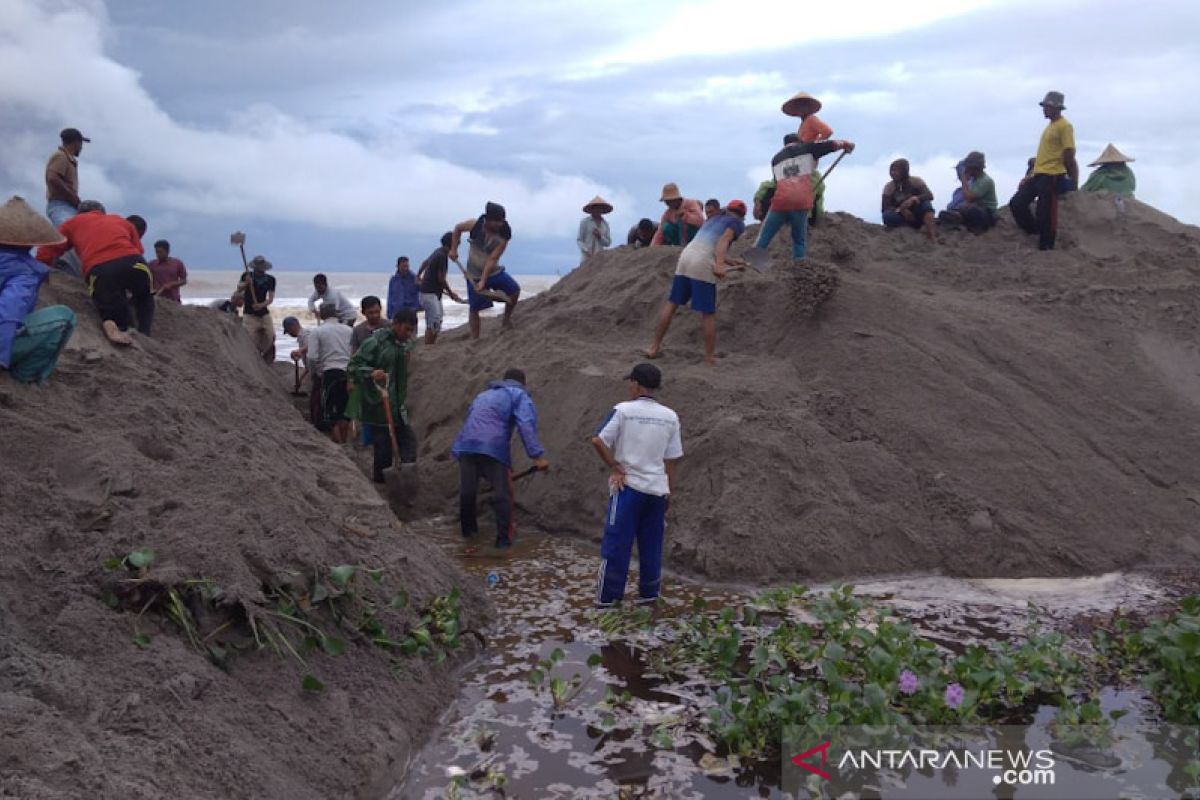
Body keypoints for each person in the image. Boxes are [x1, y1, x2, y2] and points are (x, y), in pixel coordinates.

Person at [591, 363, 683, 607]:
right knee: (651, 547)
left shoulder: (623, 410)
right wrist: (669, 494)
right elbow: (670, 461)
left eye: (630, 382)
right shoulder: (670, 416)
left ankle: (607, 601)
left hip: (628, 488)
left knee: (616, 545)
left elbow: (598, 441)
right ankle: (649, 598)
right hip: (657, 491)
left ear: (635, 384)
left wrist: (615, 466)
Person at [450, 368, 549, 548]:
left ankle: (468, 536)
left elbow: (469, 419)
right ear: (523, 383)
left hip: (466, 444)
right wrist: (537, 456)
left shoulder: (483, 395)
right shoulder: (519, 395)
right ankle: (503, 542)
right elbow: (525, 425)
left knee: (468, 492)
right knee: (503, 494)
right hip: (492, 446)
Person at [646, 200, 748, 365]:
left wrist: (731, 262)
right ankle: (709, 357)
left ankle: (653, 347)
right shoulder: (736, 224)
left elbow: (710, 246)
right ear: (742, 216)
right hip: (701, 263)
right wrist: (720, 265)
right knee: (708, 313)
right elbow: (722, 242)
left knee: (672, 304)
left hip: (686, 257)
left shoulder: (713, 219)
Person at [36, 202, 153, 345]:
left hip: (100, 267)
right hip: (135, 262)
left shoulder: (72, 223)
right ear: (102, 212)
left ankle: (119, 326)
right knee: (145, 297)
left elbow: (49, 248)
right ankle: (145, 333)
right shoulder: (119, 220)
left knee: (109, 303)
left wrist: (40, 269)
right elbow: (138, 249)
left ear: (79, 213)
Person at [0, 196, 77, 384]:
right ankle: (25, 377)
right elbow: (8, 311)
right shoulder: (25, 270)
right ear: (32, 241)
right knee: (65, 317)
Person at [753, 134, 855, 262]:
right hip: (801, 201)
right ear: (800, 142)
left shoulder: (776, 159)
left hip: (781, 201)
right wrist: (846, 144)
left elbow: (776, 182)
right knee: (799, 238)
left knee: (765, 235)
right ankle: (799, 265)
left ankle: (754, 263)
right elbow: (831, 145)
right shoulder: (807, 148)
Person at [346, 308, 418, 483]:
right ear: (396, 325)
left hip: (397, 404)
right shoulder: (375, 343)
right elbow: (353, 366)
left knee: (409, 442)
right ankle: (381, 484)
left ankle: (407, 480)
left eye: (412, 330)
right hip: (378, 404)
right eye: (406, 329)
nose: (409, 334)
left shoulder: (403, 343)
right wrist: (371, 372)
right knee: (383, 449)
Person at [1009, 91, 1079, 251]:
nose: (1044, 109)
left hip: (1052, 174)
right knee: (1017, 203)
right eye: (1044, 106)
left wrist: (1061, 168)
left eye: (1047, 107)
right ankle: (1033, 231)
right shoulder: (1050, 126)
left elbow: (1070, 150)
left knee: (1046, 212)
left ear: (1056, 108)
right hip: (1039, 173)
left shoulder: (1064, 125)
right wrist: (1032, 174)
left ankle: (1046, 245)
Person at [450, 202, 521, 339]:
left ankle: (506, 321)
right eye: (496, 221)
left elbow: (492, 259)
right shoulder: (474, 225)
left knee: (515, 290)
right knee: (474, 308)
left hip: (493, 271)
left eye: (501, 221)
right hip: (473, 273)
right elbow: (457, 228)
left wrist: (483, 281)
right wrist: (454, 249)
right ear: (488, 219)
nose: (499, 224)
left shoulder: (504, 235)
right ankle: (475, 338)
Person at [308, 303, 354, 442]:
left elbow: (312, 357)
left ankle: (338, 444)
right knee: (345, 411)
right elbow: (354, 352)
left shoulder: (317, 331)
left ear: (321, 315)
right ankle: (345, 442)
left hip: (330, 372)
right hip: (347, 372)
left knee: (330, 413)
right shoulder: (349, 330)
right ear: (337, 314)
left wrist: (314, 373)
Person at [416, 232, 464, 345]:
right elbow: (441, 279)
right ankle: (428, 346)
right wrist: (451, 293)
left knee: (438, 319)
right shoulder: (442, 256)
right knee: (434, 322)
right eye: (457, 244)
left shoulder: (438, 251)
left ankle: (430, 344)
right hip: (429, 294)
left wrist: (418, 275)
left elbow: (425, 263)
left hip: (432, 293)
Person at [940, 151, 997, 233]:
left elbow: (968, 197)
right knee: (960, 208)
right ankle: (957, 219)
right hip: (976, 208)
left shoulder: (985, 181)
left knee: (970, 209)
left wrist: (964, 179)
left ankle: (971, 224)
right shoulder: (975, 180)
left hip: (987, 213)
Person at [882, 158, 937, 241]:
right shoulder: (889, 187)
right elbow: (885, 207)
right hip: (901, 216)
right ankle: (909, 230)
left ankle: (931, 235)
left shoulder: (916, 181)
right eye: (891, 170)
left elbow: (929, 195)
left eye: (896, 170)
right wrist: (901, 210)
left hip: (917, 212)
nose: (893, 173)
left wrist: (915, 198)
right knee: (887, 216)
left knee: (926, 204)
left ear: (904, 171)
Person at [45, 128, 88, 228]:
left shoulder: (68, 159)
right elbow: (53, 178)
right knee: (68, 233)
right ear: (76, 143)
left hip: (68, 206)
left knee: (78, 234)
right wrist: (72, 196)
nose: (81, 148)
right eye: (81, 144)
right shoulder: (61, 156)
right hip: (60, 205)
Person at [237, 255, 276, 362]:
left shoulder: (270, 280)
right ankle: (254, 357)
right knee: (250, 338)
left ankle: (266, 354)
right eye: (257, 269)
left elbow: (270, 299)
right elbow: (239, 289)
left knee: (270, 335)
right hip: (249, 314)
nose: (259, 271)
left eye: (261, 269)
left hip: (263, 313)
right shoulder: (246, 275)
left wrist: (261, 305)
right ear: (254, 268)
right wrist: (246, 283)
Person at [577, 196, 613, 263]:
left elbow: (608, 243)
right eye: (596, 208)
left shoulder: (605, 225)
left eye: (600, 208)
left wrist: (600, 237)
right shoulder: (585, 222)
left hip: (599, 260)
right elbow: (579, 240)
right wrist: (586, 250)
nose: (598, 210)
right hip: (586, 258)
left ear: (602, 210)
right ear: (592, 209)